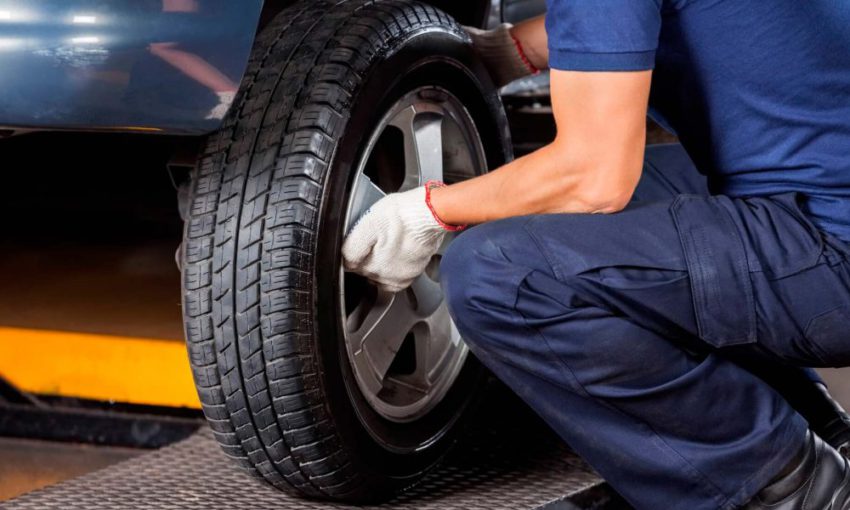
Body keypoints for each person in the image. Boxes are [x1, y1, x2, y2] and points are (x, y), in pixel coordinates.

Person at [342, 4, 850, 509]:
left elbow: (594, 179)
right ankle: (817, 423)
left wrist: (429, 211)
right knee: (594, 203)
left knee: (499, 273)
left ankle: (781, 486)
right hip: (821, 197)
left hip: (831, 255)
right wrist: (514, 50)